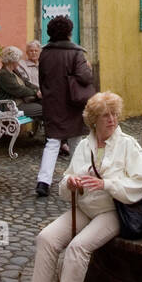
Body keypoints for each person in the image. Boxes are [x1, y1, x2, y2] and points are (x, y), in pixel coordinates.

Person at [14, 92, 142, 282]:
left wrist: (106, 184)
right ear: (93, 121)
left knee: (77, 248)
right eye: (104, 115)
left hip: (111, 212)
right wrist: (72, 183)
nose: (111, 119)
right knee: (46, 238)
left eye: (114, 114)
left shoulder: (128, 145)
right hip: (83, 208)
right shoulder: (84, 147)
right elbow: (64, 185)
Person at [35, 16, 94, 197]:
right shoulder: (76, 53)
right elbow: (85, 77)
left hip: (52, 103)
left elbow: (42, 80)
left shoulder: (45, 53)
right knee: (76, 141)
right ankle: (77, 178)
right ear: (69, 32)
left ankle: (43, 182)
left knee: (52, 143)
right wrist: (88, 68)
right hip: (72, 103)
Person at [0, 46, 43, 125]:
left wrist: (38, 90)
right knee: (45, 109)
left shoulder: (13, 71)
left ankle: (53, 133)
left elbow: (26, 83)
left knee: (49, 103)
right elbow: (19, 90)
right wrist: (35, 93)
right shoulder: (3, 74)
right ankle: (53, 134)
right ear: (12, 61)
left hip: (20, 103)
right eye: (18, 60)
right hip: (11, 106)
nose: (19, 62)